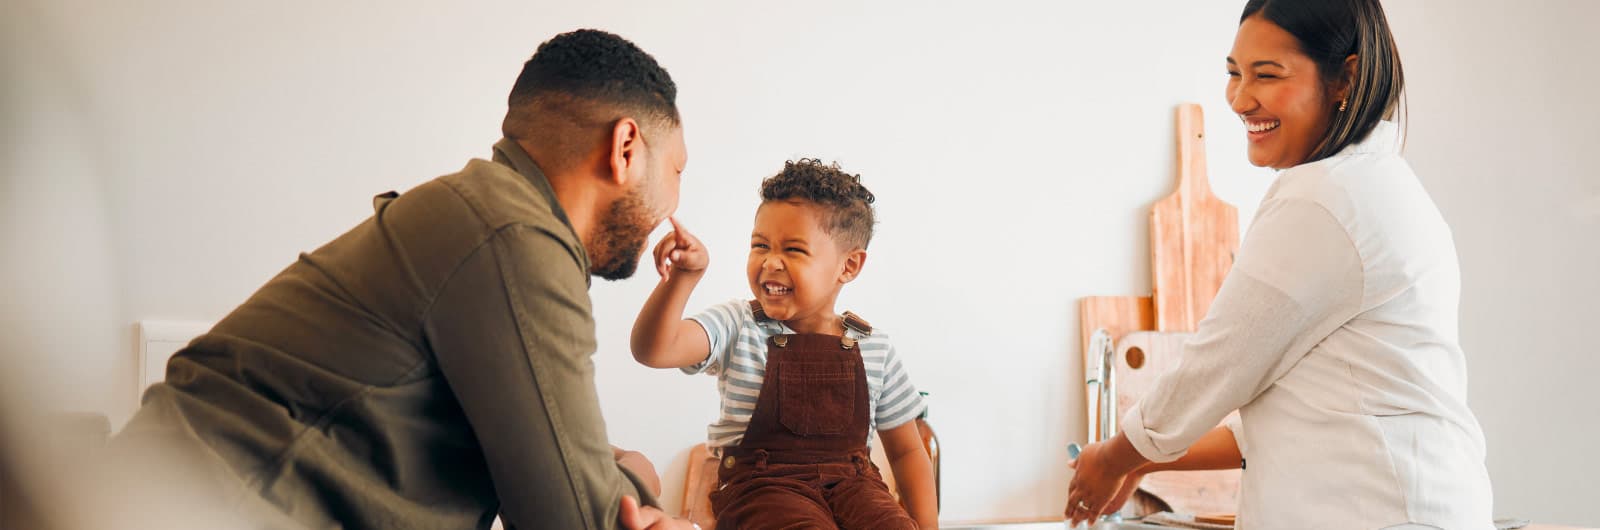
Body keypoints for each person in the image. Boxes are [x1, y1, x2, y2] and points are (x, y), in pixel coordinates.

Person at [103, 29, 699, 529]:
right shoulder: (513, 234)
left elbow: (547, 461)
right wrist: (637, 481)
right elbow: (576, 517)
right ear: (625, 147)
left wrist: (614, 476)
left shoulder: (484, 215)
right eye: (676, 170)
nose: (674, 202)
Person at [1065, 1, 1494, 528]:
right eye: (1234, 73)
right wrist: (1142, 459)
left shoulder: (1324, 199)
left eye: (1267, 75)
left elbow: (1216, 366)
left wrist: (1115, 457)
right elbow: (1291, 412)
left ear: (1345, 78)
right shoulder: (1377, 185)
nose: (1240, 98)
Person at [629, 159, 938, 529]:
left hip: (856, 487)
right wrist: (684, 276)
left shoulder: (875, 348)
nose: (770, 262)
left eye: (793, 250)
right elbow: (654, 349)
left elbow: (907, 452)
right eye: (760, 245)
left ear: (849, 266)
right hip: (762, 487)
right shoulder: (737, 324)